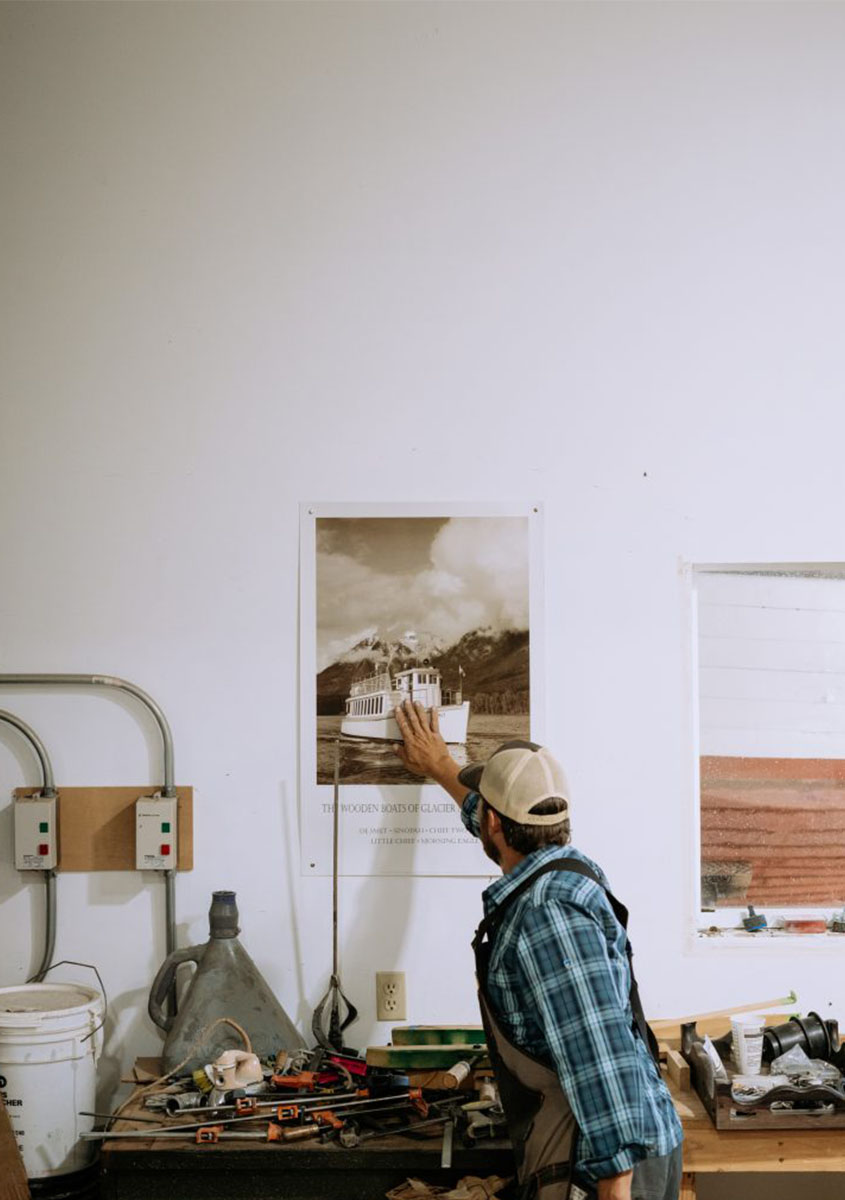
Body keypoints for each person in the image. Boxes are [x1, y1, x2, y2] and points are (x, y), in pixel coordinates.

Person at [394, 701, 683, 1200]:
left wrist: (614, 1188)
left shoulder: (548, 916)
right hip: (608, 1154)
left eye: (484, 812)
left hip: (607, 1171)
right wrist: (440, 764)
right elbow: (487, 815)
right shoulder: (561, 866)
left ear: (494, 826)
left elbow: (599, 1057)